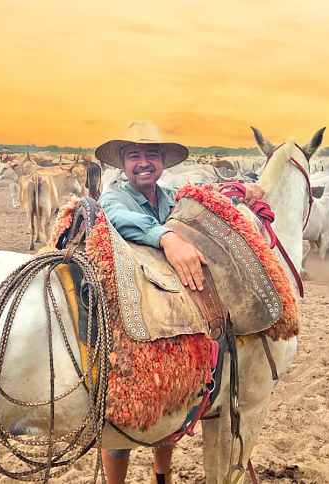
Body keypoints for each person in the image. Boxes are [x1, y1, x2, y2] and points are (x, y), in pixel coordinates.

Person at [95, 121, 262, 483]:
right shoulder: (114, 196)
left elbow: (200, 204)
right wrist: (166, 237)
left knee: (172, 390)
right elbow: (116, 218)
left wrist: (238, 192)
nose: (143, 162)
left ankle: (162, 475)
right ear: (123, 164)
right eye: (135, 155)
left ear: (161, 162)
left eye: (151, 155)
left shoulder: (171, 197)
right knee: (125, 401)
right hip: (131, 309)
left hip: (173, 307)